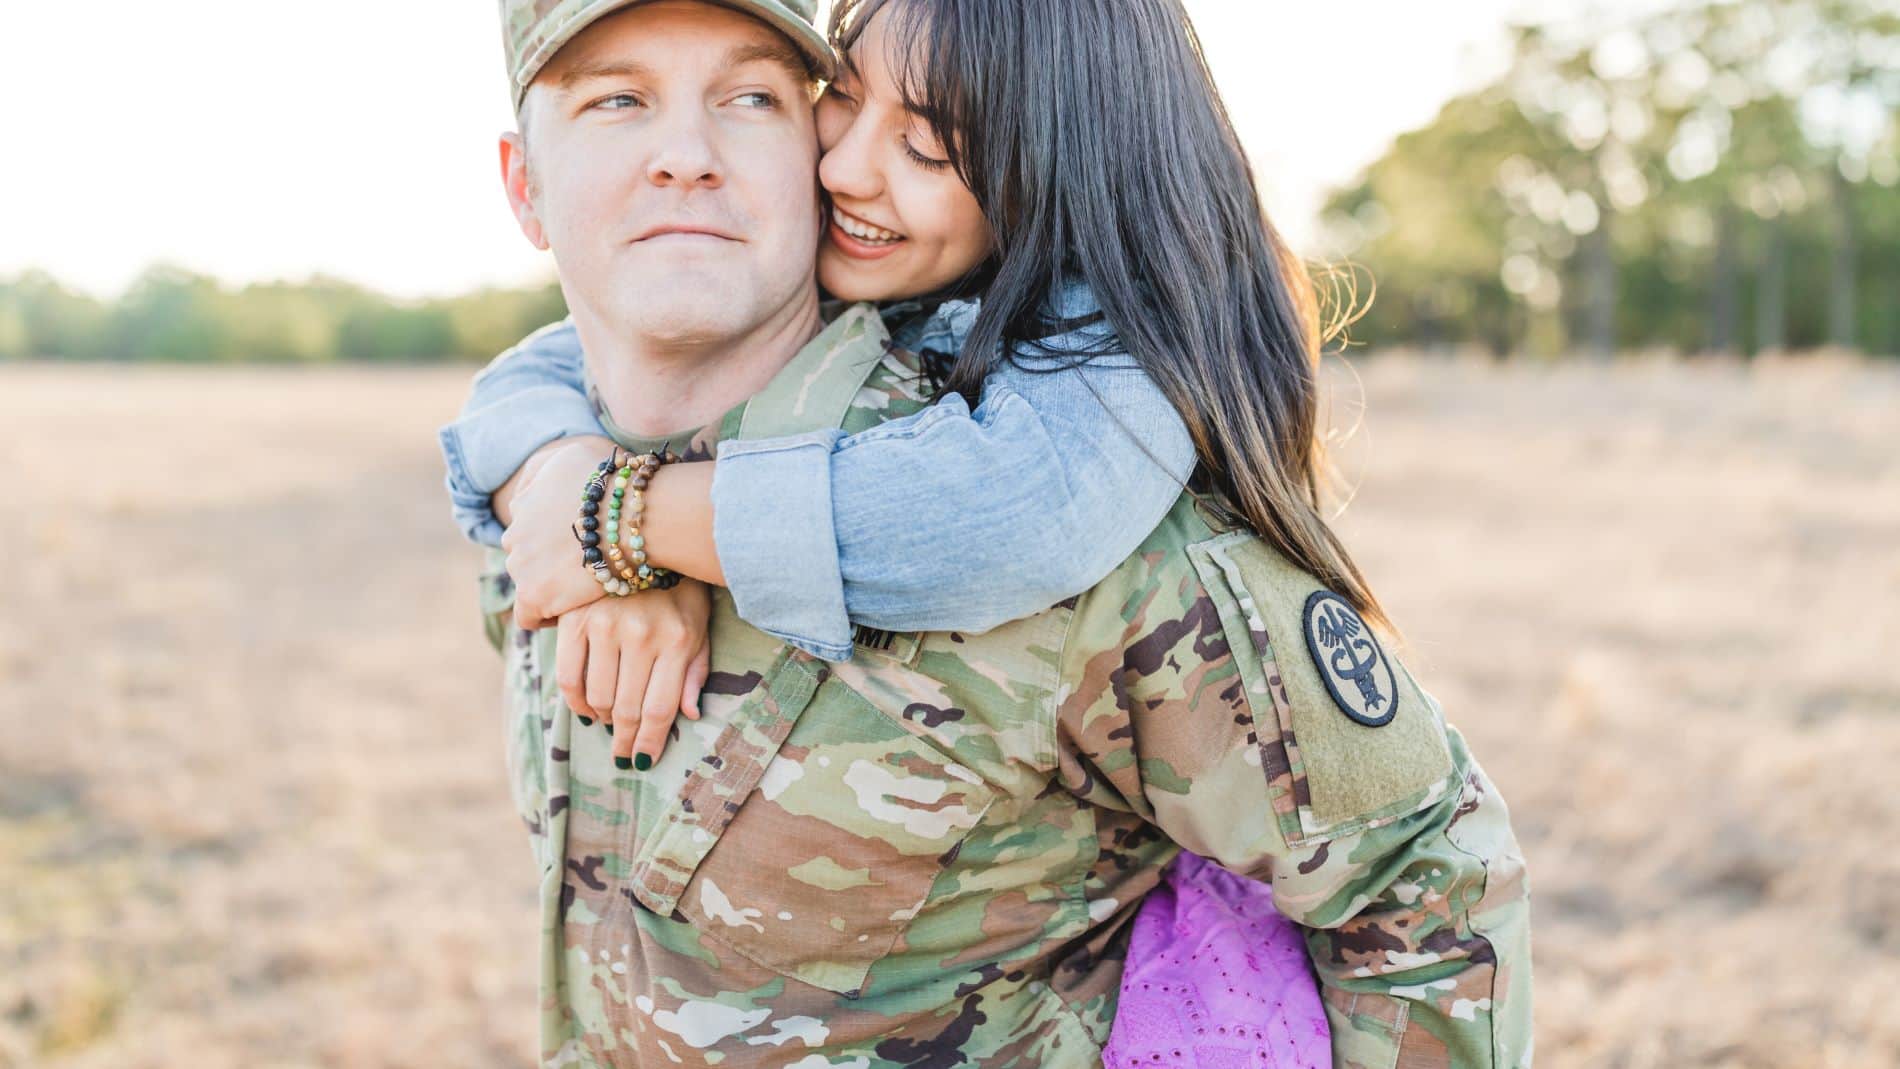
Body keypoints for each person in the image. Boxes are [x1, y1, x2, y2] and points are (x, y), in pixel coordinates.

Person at [458, 0, 1532, 1065]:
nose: (685, 157)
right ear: (523, 187)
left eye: (749, 97)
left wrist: (628, 521)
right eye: (615, 101)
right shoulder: (546, 497)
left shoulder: (1051, 511)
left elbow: (1424, 880)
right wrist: (596, 507)